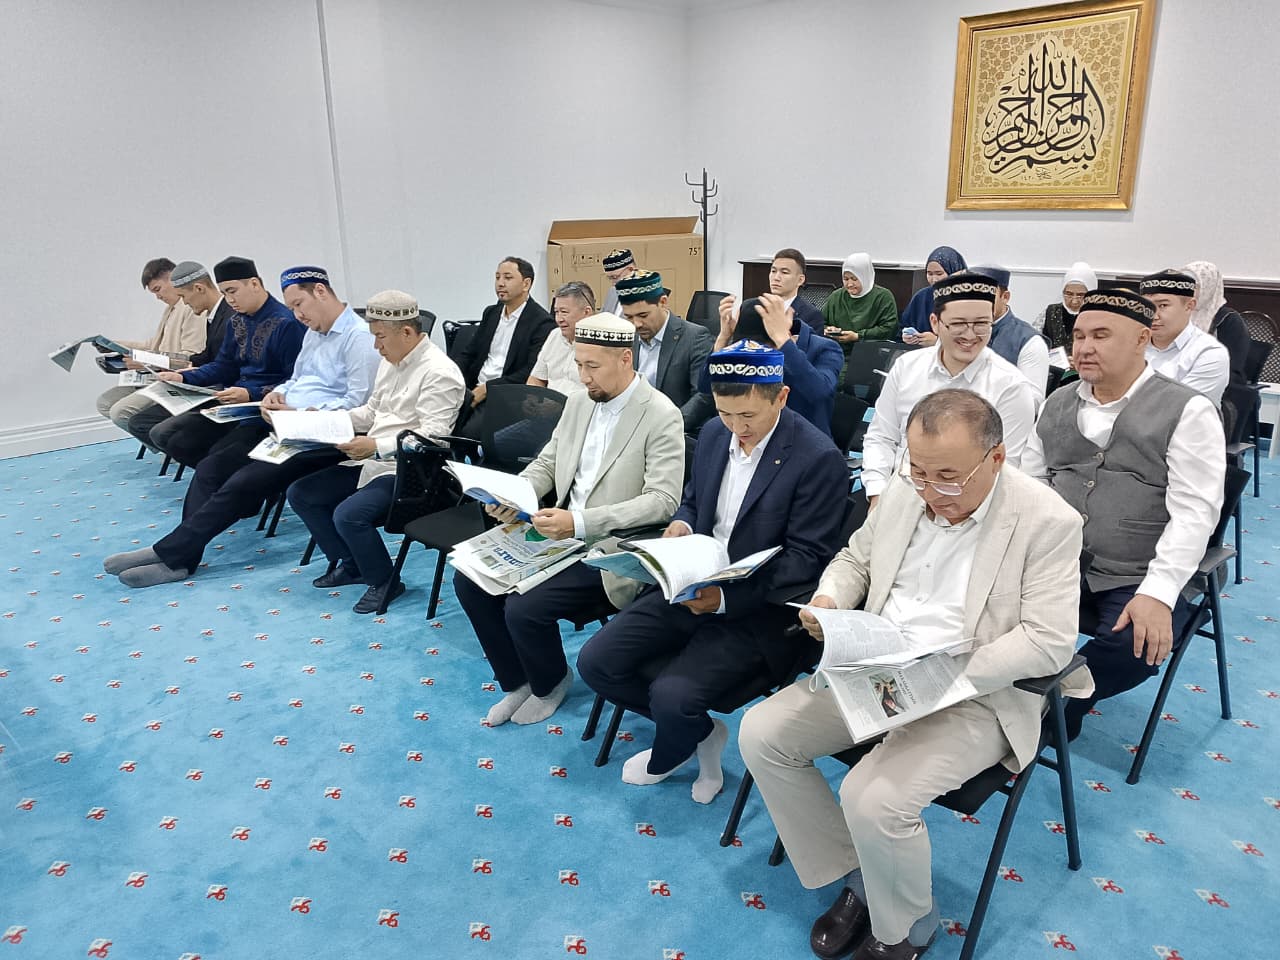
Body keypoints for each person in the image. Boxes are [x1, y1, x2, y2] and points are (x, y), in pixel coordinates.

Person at [739, 389, 1087, 960]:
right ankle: (861, 878)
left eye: (947, 477)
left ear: (996, 459)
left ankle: (906, 925)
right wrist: (830, 600)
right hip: (880, 670)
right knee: (763, 733)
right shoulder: (908, 489)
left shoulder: (1048, 521)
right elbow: (855, 559)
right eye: (919, 471)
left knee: (872, 798)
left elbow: (1048, 641)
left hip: (973, 691)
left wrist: (948, 674)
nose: (930, 491)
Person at [578, 339, 848, 803]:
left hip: (757, 607)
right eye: (726, 413)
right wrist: (683, 524)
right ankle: (699, 733)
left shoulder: (818, 458)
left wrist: (725, 598)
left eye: (748, 416)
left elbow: (806, 559)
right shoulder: (713, 434)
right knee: (596, 663)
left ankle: (675, 743)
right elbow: (694, 500)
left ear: (781, 397)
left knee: (673, 696)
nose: (737, 428)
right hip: (690, 581)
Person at [453, 312, 685, 726]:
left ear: (625, 359)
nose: (583, 376)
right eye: (578, 364)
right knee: (469, 581)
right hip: (557, 530)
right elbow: (549, 461)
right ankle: (518, 681)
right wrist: (515, 493)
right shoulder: (580, 402)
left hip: (610, 546)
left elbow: (662, 501)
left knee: (524, 608)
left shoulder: (661, 414)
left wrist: (579, 522)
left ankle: (550, 682)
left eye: (592, 366)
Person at [1020, 288, 1225, 741]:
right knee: (977, 600)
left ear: (1141, 339)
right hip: (1058, 560)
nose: (1084, 347)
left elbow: (1195, 513)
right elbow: (1030, 486)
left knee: (1136, 645)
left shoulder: (1187, 410)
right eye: (1078, 336)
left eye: (1101, 335)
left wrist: (1159, 592)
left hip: (1136, 570)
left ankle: (1058, 707)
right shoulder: (1057, 402)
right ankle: (1016, 702)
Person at [102, 267, 380, 588]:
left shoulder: (359, 339)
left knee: (244, 482)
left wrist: (298, 412)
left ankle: (174, 556)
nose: (297, 314)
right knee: (211, 468)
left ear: (320, 292)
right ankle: (179, 555)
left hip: (328, 435)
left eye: (299, 304)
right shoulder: (316, 332)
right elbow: (297, 378)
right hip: (287, 424)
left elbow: (359, 405)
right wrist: (278, 395)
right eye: (292, 307)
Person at [287, 290, 466, 614]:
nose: (375, 346)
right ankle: (353, 565)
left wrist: (377, 446)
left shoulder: (439, 371)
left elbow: (433, 439)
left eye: (380, 337)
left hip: (413, 472)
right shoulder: (391, 360)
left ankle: (385, 581)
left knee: (348, 515)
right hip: (374, 460)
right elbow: (371, 412)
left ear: (407, 332)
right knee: (302, 494)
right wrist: (328, 420)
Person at [861, 272, 1038, 503]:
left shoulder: (1011, 387)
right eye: (958, 324)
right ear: (935, 323)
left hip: (967, 507)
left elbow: (1005, 472)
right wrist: (877, 493)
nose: (970, 335)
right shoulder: (907, 367)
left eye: (981, 324)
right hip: (899, 495)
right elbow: (881, 436)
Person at [148, 256, 304, 467]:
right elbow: (223, 365)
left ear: (255, 284)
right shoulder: (237, 321)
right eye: (224, 293)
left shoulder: (286, 323)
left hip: (265, 411)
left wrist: (251, 394)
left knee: (213, 460)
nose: (229, 300)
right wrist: (183, 377)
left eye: (232, 291)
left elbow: (296, 380)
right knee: (180, 443)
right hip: (235, 406)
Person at [119, 261, 236, 451]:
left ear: (199, 288)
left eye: (183, 296)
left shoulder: (229, 317)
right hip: (210, 381)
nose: (185, 303)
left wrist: (184, 374)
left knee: (152, 427)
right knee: (144, 423)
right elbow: (206, 357)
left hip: (222, 391)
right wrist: (183, 372)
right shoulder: (214, 315)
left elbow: (223, 366)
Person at [96, 258, 208, 443]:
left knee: (120, 412)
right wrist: (115, 344)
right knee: (105, 402)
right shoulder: (171, 309)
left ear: (172, 279)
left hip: (176, 378)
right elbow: (154, 345)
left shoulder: (191, 310)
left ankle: (170, 446)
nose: (158, 297)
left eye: (158, 289)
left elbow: (190, 358)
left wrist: (145, 361)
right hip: (157, 373)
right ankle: (162, 443)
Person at [710, 294, 844, 436]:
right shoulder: (745, 347)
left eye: (765, 348)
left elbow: (819, 392)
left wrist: (784, 343)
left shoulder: (824, 348)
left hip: (801, 437)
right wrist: (723, 338)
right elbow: (707, 388)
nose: (757, 353)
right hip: (747, 433)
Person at [455, 256, 554, 432]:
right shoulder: (491, 313)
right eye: (497, 277)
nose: (500, 283)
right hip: (473, 388)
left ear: (526, 284)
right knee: (441, 425)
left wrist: (487, 389)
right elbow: (470, 353)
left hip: (505, 395)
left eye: (508, 278)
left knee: (468, 434)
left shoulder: (541, 322)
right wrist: (451, 377)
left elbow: (530, 371)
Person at [617, 270, 715, 433]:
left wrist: (667, 427)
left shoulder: (694, 337)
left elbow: (704, 395)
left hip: (675, 430)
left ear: (663, 302)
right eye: (629, 317)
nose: (636, 324)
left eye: (643, 315)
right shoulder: (628, 337)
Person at [1139, 269, 1230, 406]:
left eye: (1163, 305)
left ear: (1189, 306)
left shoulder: (1209, 353)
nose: (1153, 315)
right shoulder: (1131, 345)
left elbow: (1176, 407)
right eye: (1147, 306)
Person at [971, 264, 1050, 396]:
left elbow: (1033, 400)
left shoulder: (1029, 341)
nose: (979, 302)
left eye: (987, 295)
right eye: (973, 296)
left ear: (1005, 297)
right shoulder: (959, 332)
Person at [1183, 261, 1251, 385]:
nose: (1186, 291)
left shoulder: (1229, 320)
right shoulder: (1180, 314)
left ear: (1208, 287)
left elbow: (1232, 367)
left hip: (1218, 383)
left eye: (1193, 286)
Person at [820, 253, 900, 356]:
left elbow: (889, 329)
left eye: (854, 279)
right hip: (837, 352)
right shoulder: (836, 296)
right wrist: (828, 330)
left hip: (871, 354)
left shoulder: (883, 297)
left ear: (865, 277)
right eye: (846, 279)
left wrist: (858, 336)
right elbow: (819, 322)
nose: (849, 284)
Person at [528, 281, 596, 397]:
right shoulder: (554, 335)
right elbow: (536, 379)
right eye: (556, 312)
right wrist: (532, 400)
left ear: (586, 312)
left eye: (564, 312)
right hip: (548, 405)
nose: (558, 319)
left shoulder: (601, 344)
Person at [897, 246, 967, 347]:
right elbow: (902, 327)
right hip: (920, 353)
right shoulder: (921, 297)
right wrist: (907, 336)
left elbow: (973, 340)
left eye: (939, 274)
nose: (934, 279)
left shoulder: (967, 299)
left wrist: (938, 342)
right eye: (929, 274)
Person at [1034, 261, 1096, 350]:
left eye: (1080, 295)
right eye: (1069, 294)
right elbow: (1035, 341)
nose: (1074, 301)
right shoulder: (1051, 312)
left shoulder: (1098, 316)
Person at [768, 248, 826, 334]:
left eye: (784, 272)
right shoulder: (757, 307)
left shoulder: (811, 315)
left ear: (800, 280)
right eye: (773, 271)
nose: (776, 278)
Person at [601, 248, 640, 317]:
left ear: (631, 270)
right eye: (610, 278)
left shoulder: (646, 296)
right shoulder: (612, 292)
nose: (613, 284)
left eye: (615, 277)